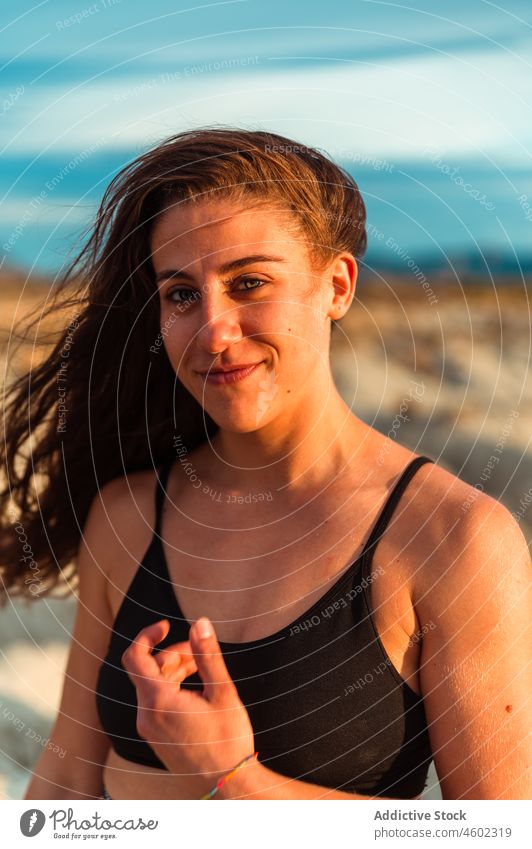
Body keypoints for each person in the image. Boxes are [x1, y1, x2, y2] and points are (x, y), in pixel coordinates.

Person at [2, 127, 530, 801]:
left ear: (336, 286)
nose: (214, 331)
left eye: (249, 282)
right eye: (181, 294)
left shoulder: (454, 540)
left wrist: (234, 779)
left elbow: (496, 833)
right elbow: (67, 781)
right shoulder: (128, 517)